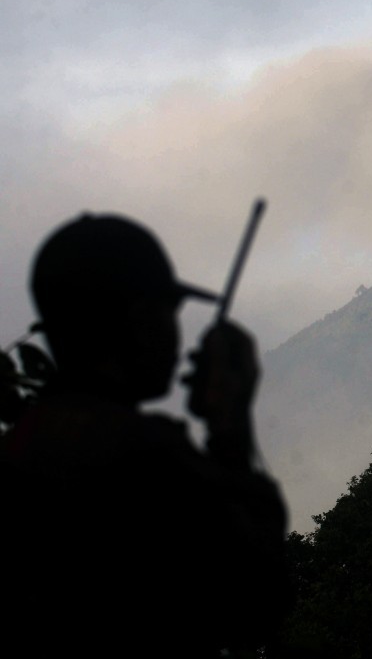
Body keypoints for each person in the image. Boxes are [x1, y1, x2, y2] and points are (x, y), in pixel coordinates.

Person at [0, 213, 289, 657]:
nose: (177, 335)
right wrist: (230, 422)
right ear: (140, 320)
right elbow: (251, 604)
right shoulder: (143, 456)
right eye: (169, 312)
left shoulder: (23, 444)